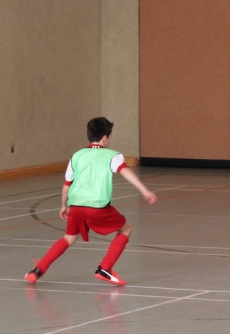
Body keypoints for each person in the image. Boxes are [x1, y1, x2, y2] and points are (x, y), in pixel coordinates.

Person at [26, 117, 157, 287]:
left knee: (69, 238)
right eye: (110, 136)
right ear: (105, 137)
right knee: (126, 229)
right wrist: (144, 190)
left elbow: (66, 186)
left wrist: (64, 205)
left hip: (75, 206)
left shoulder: (77, 155)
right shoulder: (113, 155)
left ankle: (37, 271)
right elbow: (125, 172)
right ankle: (105, 269)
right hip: (97, 207)